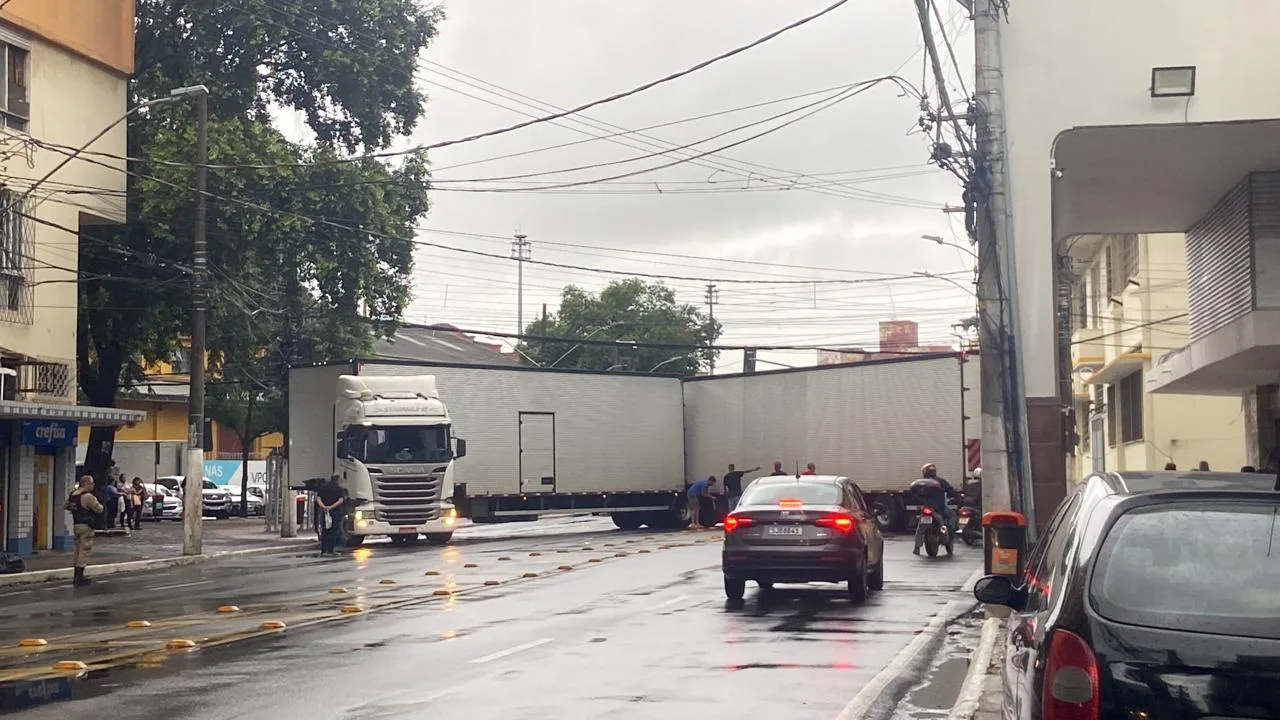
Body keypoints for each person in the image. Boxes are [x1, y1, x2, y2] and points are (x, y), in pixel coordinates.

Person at [912, 463, 959, 556]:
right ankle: (949, 534)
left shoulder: (921, 483)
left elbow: (914, 494)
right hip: (939, 508)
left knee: (921, 527)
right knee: (953, 516)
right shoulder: (940, 481)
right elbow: (950, 490)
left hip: (926, 508)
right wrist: (956, 496)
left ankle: (917, 547)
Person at [66, 475, 104, 586]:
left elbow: (66, 506)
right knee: (84, 550)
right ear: (86, 484)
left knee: (77, 550)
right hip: (86, 526)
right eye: (91, 483)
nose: (93, 485)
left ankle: (76, 575)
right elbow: (99, 509)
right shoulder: (87, 496)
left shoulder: (73, 495)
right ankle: (79, 577)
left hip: (76, 524)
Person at [316, 475, 346, 556]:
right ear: (338, 480)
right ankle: (330, 550)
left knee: (325, 530)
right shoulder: (339, 489)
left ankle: (323, 550)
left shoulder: (324, 487)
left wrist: (324, 507)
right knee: (333, 531)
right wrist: (331, 507)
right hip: (335, 511)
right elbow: (340, 500)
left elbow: (318, 498)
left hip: (325, 512)